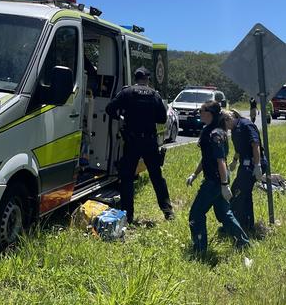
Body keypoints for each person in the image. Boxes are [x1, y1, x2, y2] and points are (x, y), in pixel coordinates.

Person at [105, 66, 175, 224]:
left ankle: (128, 216)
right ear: (147, 79)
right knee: (157, 177)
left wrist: (122, 117)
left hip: (131, 141)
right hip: (149, 142)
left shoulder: (126, 92)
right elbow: (162, 119)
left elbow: (110, 109)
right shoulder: (154, 95)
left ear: (135, 78)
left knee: (127, 177)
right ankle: (168, 211)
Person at [185, 101, 249, 253]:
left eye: (201, 111)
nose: (199, 113)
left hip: (215, 181)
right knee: (224, 214)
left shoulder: (216, 134)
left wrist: (224, 184)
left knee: (196, 213)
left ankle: (199, 249)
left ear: (210, 113)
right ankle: (243, 243)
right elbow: (207, 158)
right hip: (217, 179)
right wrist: (195, 174)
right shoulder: (209, 130)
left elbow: (220, 161)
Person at [227, 110, 266, 234]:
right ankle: (247, 225)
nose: (225, 128)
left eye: (225, 123)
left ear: (230, 118)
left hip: (253, 164)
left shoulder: (246, 125)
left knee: (237, 192)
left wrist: (257, 165)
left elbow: (255, 144)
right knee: (245, 193)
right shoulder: (234, 129)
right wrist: (234, 160)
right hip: (245, 164)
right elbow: (240, 148)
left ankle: (235, 226)